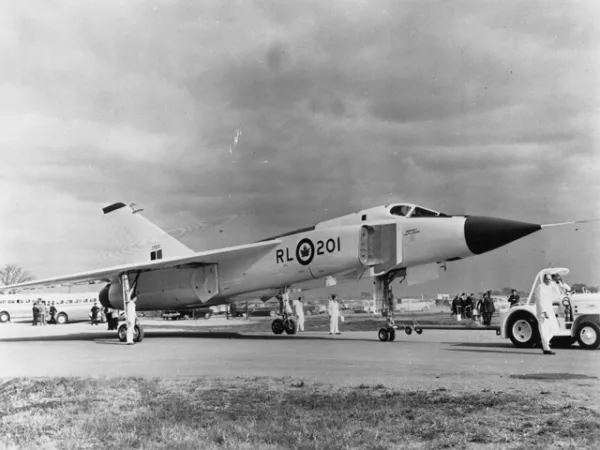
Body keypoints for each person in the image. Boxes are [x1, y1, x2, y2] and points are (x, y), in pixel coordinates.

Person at [536, 273, 559, 355]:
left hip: (550, 310)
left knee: (555, 327)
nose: (549, 281)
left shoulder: (550, 287)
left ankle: (544, 342)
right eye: (547, 279)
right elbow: (540, 300)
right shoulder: (540, 287)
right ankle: (546, 348)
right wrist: (544, 311)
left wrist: (555, 284)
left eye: (550, 279)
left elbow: (557, 294)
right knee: (544, 330)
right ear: (544, 279)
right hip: (543, 311)